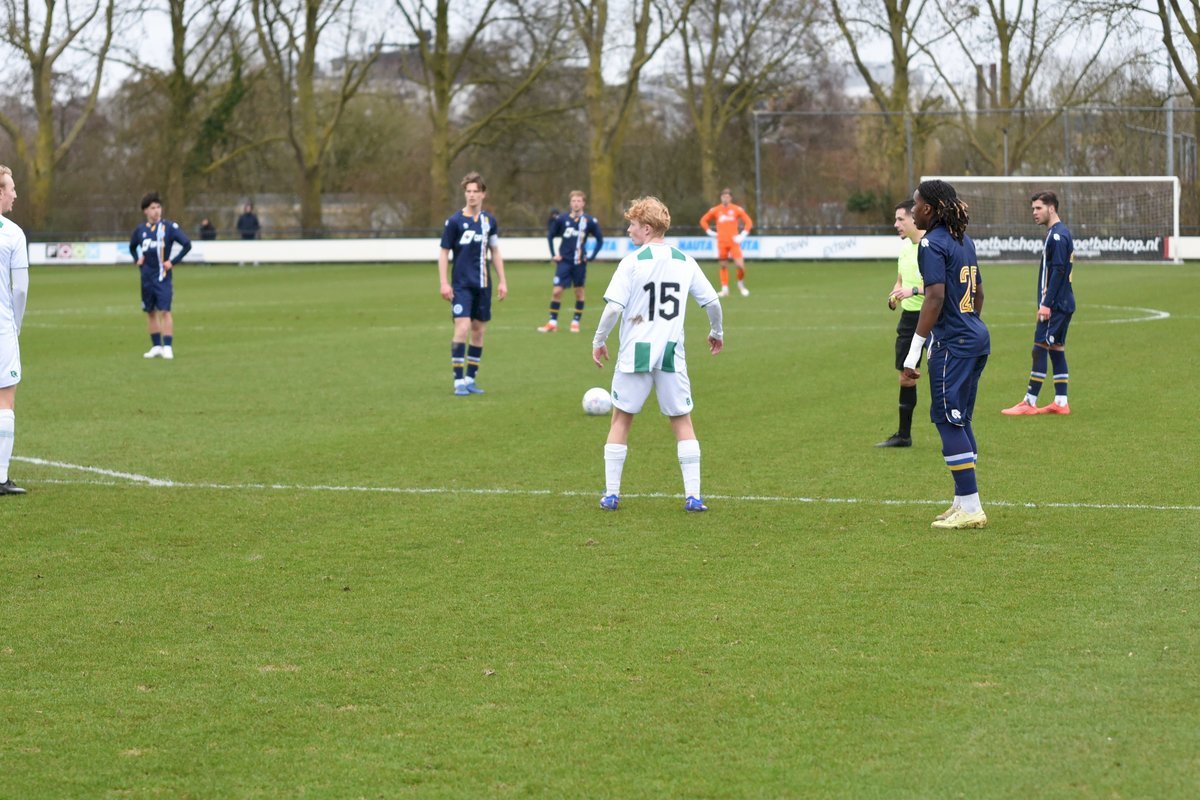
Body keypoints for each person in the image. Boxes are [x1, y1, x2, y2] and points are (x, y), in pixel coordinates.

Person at [591, 196, 724, 512]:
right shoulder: (684, 261)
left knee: (621, 419)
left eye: (633, 225)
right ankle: (693, 496)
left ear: (647, 228)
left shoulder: (632, 262)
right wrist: (716, 332)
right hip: (670, 352)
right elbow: (713, 302)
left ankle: (611, 495)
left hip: (635, 353)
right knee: (682, 421)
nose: (629, 230)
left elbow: (613, 309)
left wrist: (598, 340)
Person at [901, 179, 990, 529]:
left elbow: (934, 297)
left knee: (947, 419)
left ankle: (972, 507)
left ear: (930, 208)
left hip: (953, 344)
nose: (913, 210)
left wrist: (914, 353)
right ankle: (962, 501)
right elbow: (978, 292)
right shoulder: (963, 240)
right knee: (961, 418)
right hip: (975, 338)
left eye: (916, 204)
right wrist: (969, 324)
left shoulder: (931, 244)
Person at [1001, 190, 1075, 416]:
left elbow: (1059, 270)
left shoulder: (1057, 236)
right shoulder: (1058, 233)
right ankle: (1060, 402)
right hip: (1063, 302)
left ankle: (1029, 401)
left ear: (1051, 208)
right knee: (1056, 348)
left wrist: (1046, 304)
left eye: (1038, 208)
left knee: (1039, 348)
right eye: (1033, 208)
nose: (1034, 212)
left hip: (1056, 305)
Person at [438, 171, 507, 396]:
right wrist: (444, 283)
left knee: (478, 331)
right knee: (462, 327)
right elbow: (444, 252)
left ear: (483, 194)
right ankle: (458, 381)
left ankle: (470, 379)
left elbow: (495, 251)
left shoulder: (489, 222)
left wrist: (502, 281)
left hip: (484, 285)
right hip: (461, 286)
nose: (471, 195)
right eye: (468, 191)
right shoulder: (454, 222)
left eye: (475, 191)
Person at [878, 199, 927, 448]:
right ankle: (904, 435)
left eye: (900, 219)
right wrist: (895, 295)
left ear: (913, 218)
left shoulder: (931, 246)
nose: (896, 224)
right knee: (906, 376)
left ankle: (954, 431)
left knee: (944, 376)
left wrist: (913, 291)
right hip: (909, 319)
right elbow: (900, 281)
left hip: (935, 316)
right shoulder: (906, 247)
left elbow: (941, 286)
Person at [130, 192, 192, 360]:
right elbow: (132, 246)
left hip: (162, 277)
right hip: (146, 278)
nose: (156, 211)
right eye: (152, 208)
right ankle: (156, 346)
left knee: (165, 311)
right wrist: (137, 258)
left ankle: (168, 347)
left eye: (158, 207)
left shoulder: (169, 228)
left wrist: (173, 261)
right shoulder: (140, 230)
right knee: (150, 312)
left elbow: (187, 244)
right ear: (145, 211)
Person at [0, 166, 29, 495]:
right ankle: (0, 476)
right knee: (5, 399)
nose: (15, 195)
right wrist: (15, 324)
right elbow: (19, 288)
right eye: (11, 188)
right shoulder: (12, 233)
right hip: (2, 326)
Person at [538, 191, 603, 333]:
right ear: (570, 203)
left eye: (579, 201)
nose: (576, 203)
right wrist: (554, 255)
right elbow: (550, 235)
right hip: (564, 262)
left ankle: (575, 322)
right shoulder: (562, 219)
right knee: (557, 291)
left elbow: (600, 239)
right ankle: (552, 323)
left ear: (583, 203)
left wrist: (591, 256)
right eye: (573, 201)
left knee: (579, 292)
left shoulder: (589, 221)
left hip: (580, 262)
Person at [699, 188, 753, 297]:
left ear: (731, 198)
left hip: (734, 242)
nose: (725, 199)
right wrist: (709, 232)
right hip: (722, 242)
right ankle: (725, 289)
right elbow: (703, 220)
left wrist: (743, 235)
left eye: (727, 197)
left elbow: (748, 222)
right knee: (723, 265)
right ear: (721, 198)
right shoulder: (715, 210)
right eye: (723, 196)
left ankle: (741, 284)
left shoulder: (736, 209)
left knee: (740, 265)